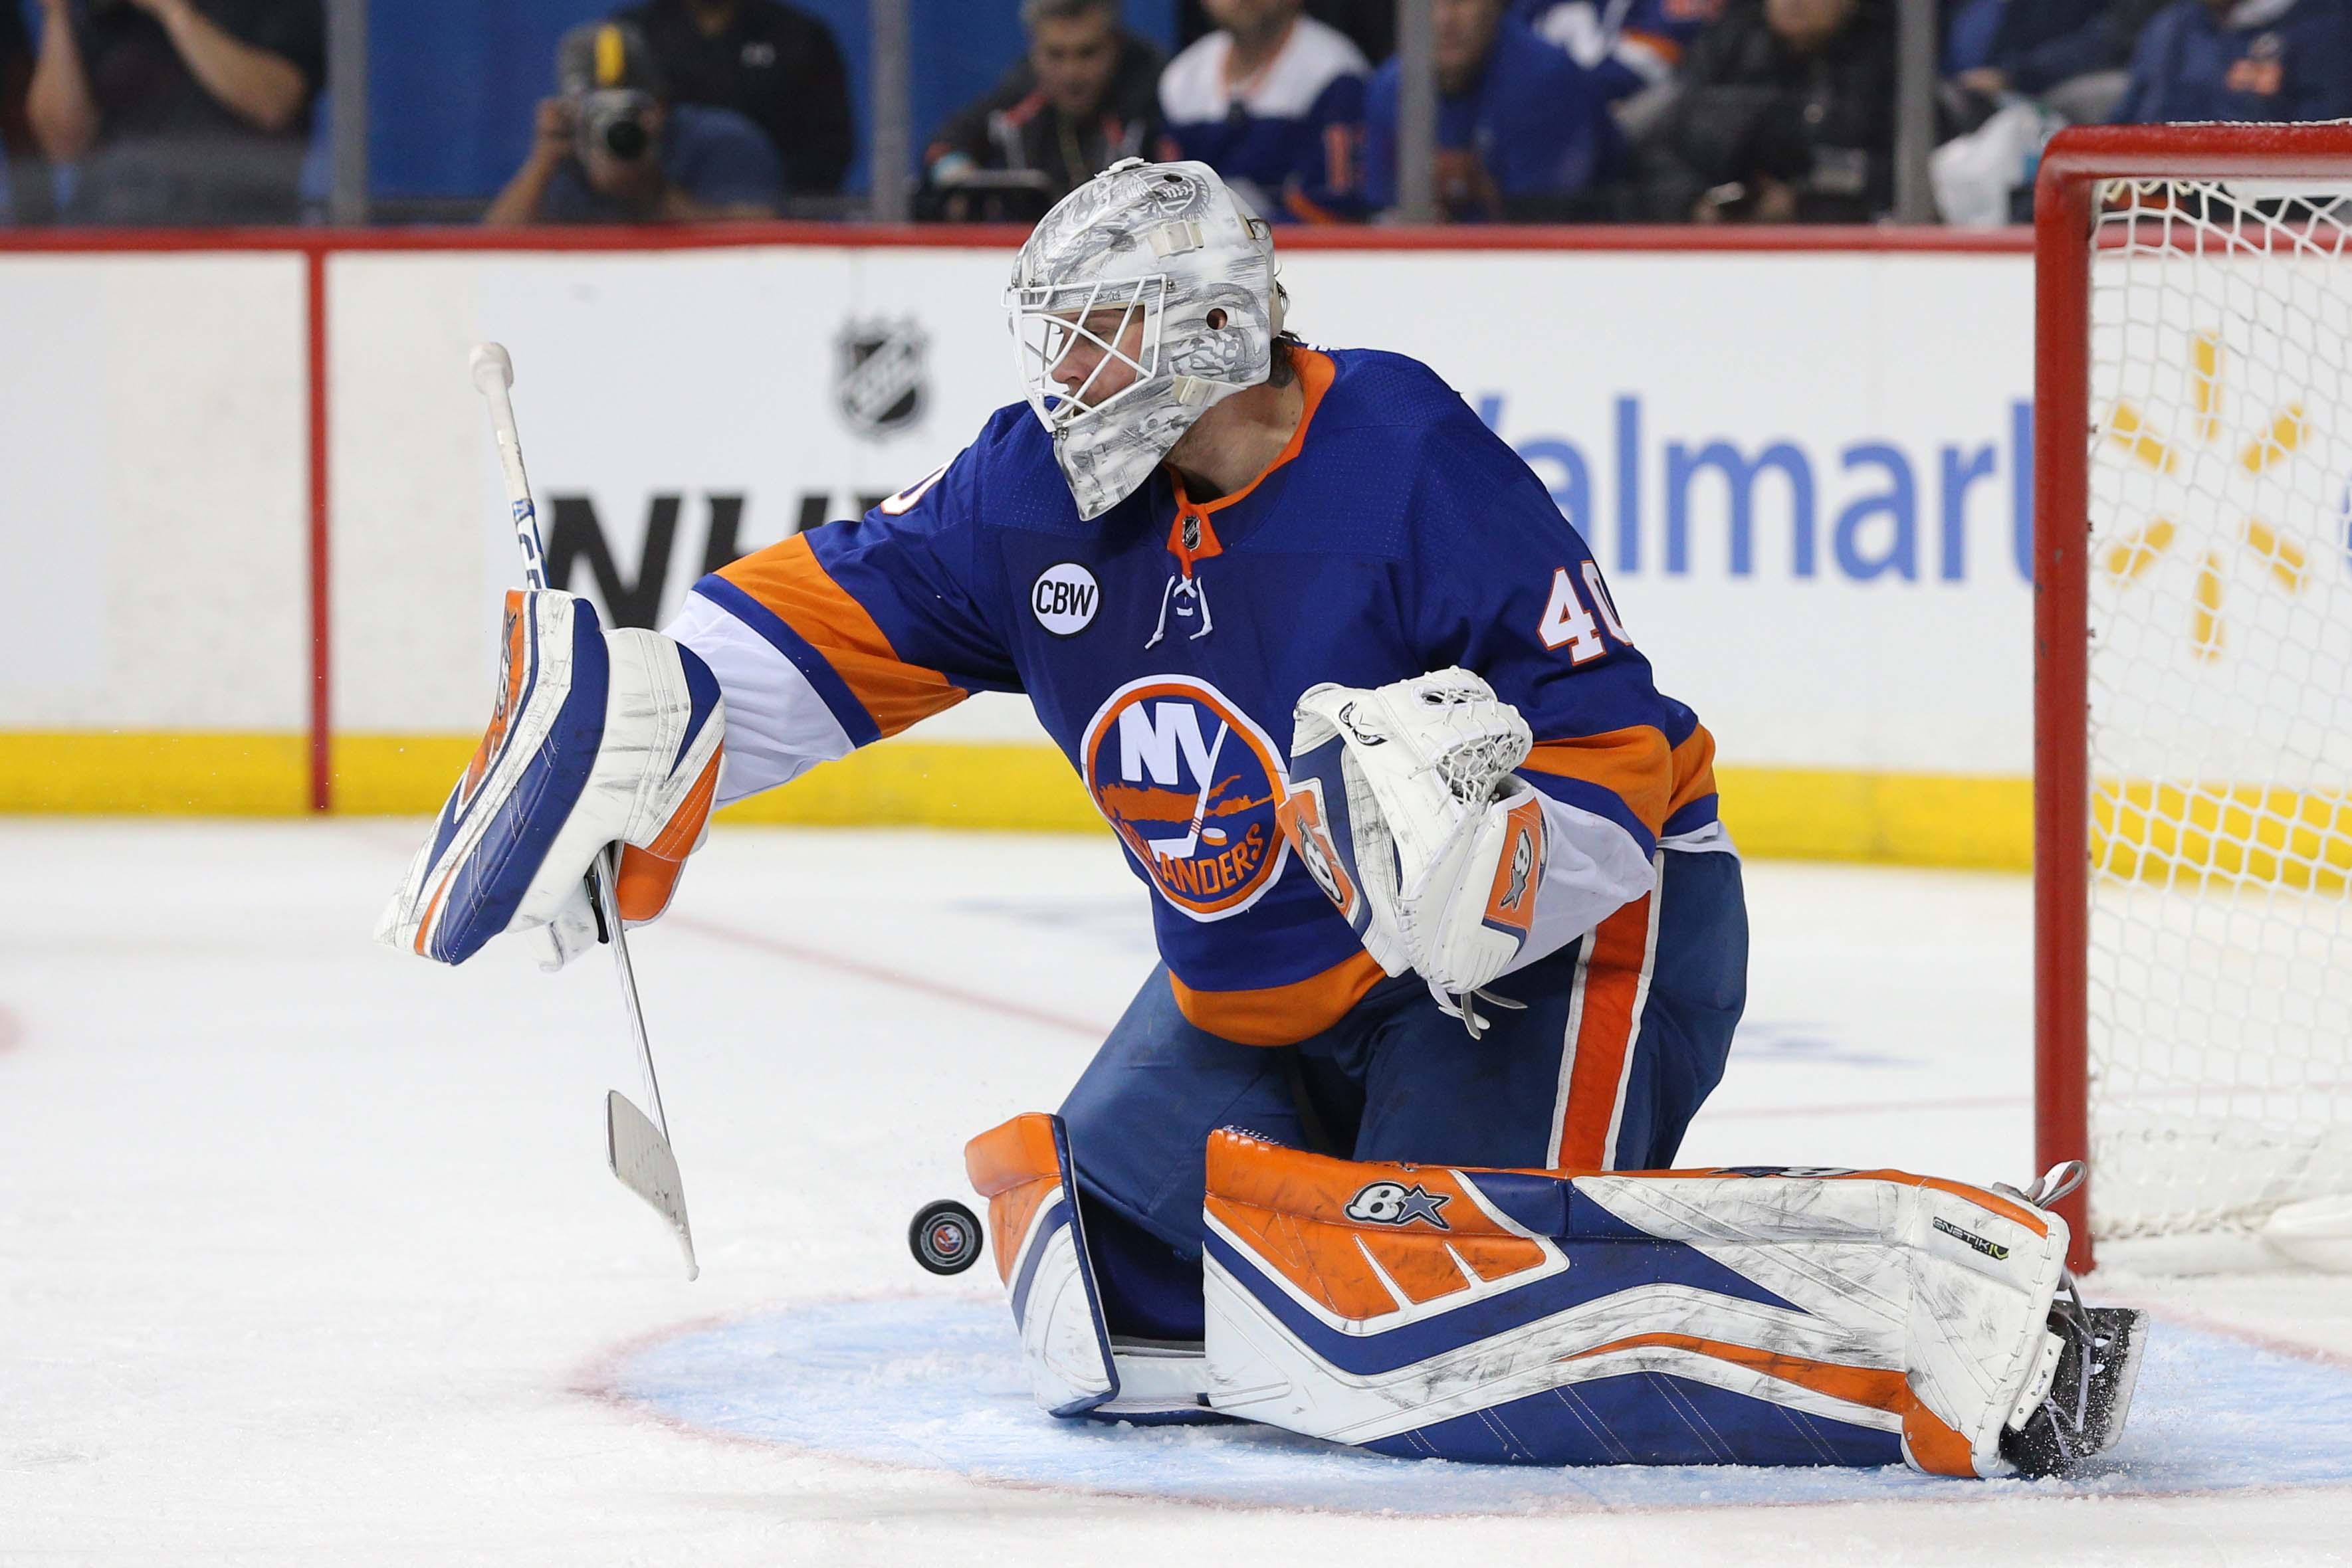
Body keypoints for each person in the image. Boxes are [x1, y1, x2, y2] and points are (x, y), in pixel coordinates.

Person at [381, 158, 2147, 1478]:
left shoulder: (1404, 453)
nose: (1065, 376)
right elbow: (816, 631)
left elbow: (1613, 753)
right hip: (1268, 988)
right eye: (1056, 341)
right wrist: (649, 721)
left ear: (1212, 332)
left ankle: (1954, 1334)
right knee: (1110, 1285)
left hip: (1568, 953)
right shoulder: (1028, 492)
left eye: (1102, 338)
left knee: (1425, 1340)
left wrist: (1488, 877)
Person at [26, 0, 322, 224]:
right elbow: (61, 143)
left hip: (236, 233)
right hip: (110, 232)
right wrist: (57, 15)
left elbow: (274, 103)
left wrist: (174, 13)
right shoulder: (102, 12)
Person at [483, 19, 782, 227]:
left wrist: (648, 191)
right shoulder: (567, 153)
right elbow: (488, 261)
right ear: (569, 114)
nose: (614, 124)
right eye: (595, 111)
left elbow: (757, 248)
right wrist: (541, 166)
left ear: (661, 106)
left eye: (631, 108)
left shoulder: (722, 142)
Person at [1634, 0, 1896, 223]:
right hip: (1711, 241)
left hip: (1844, 247)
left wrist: (1803, 201)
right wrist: (1695, 203)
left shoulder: (1891, 59)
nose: (1793, 2)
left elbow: (1906, 170)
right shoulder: (1728, 46)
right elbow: (1659, 145)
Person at [1364, 0, 1621, 220]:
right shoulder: (1388, 88)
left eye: (1461, 1)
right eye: (1427, 4)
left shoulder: (1545, 80)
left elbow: (1546, 234)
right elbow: (1380, 216)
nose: (1444, 20)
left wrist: (1475, 186)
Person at [922, 0, 1168, 222]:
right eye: (1056, 55)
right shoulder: (1018, 101)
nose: (1072, 74)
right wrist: (963, 185)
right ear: (1034, 52)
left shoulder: (1158, 101)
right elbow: (944, 147)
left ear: (1115, 48)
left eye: (1087, 53)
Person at [613, 0, 852, 197]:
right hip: (649, 221)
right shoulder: (631, 34)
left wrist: (768, 206)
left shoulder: (801, 38)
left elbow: (830, 146)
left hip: (769, 228)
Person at [1159, 0, 1370, 222]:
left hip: (1295, 252)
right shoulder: (1182, 77)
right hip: (1207, 251)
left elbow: (1335, 209)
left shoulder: (1334, 72)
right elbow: (1173, 205)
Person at [2111, 0, 2352, 126]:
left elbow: (2326, 138)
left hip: (2269, 207)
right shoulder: (2172, 24)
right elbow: (2127, 117)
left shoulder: (2328, 25)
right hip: (2159, 198)